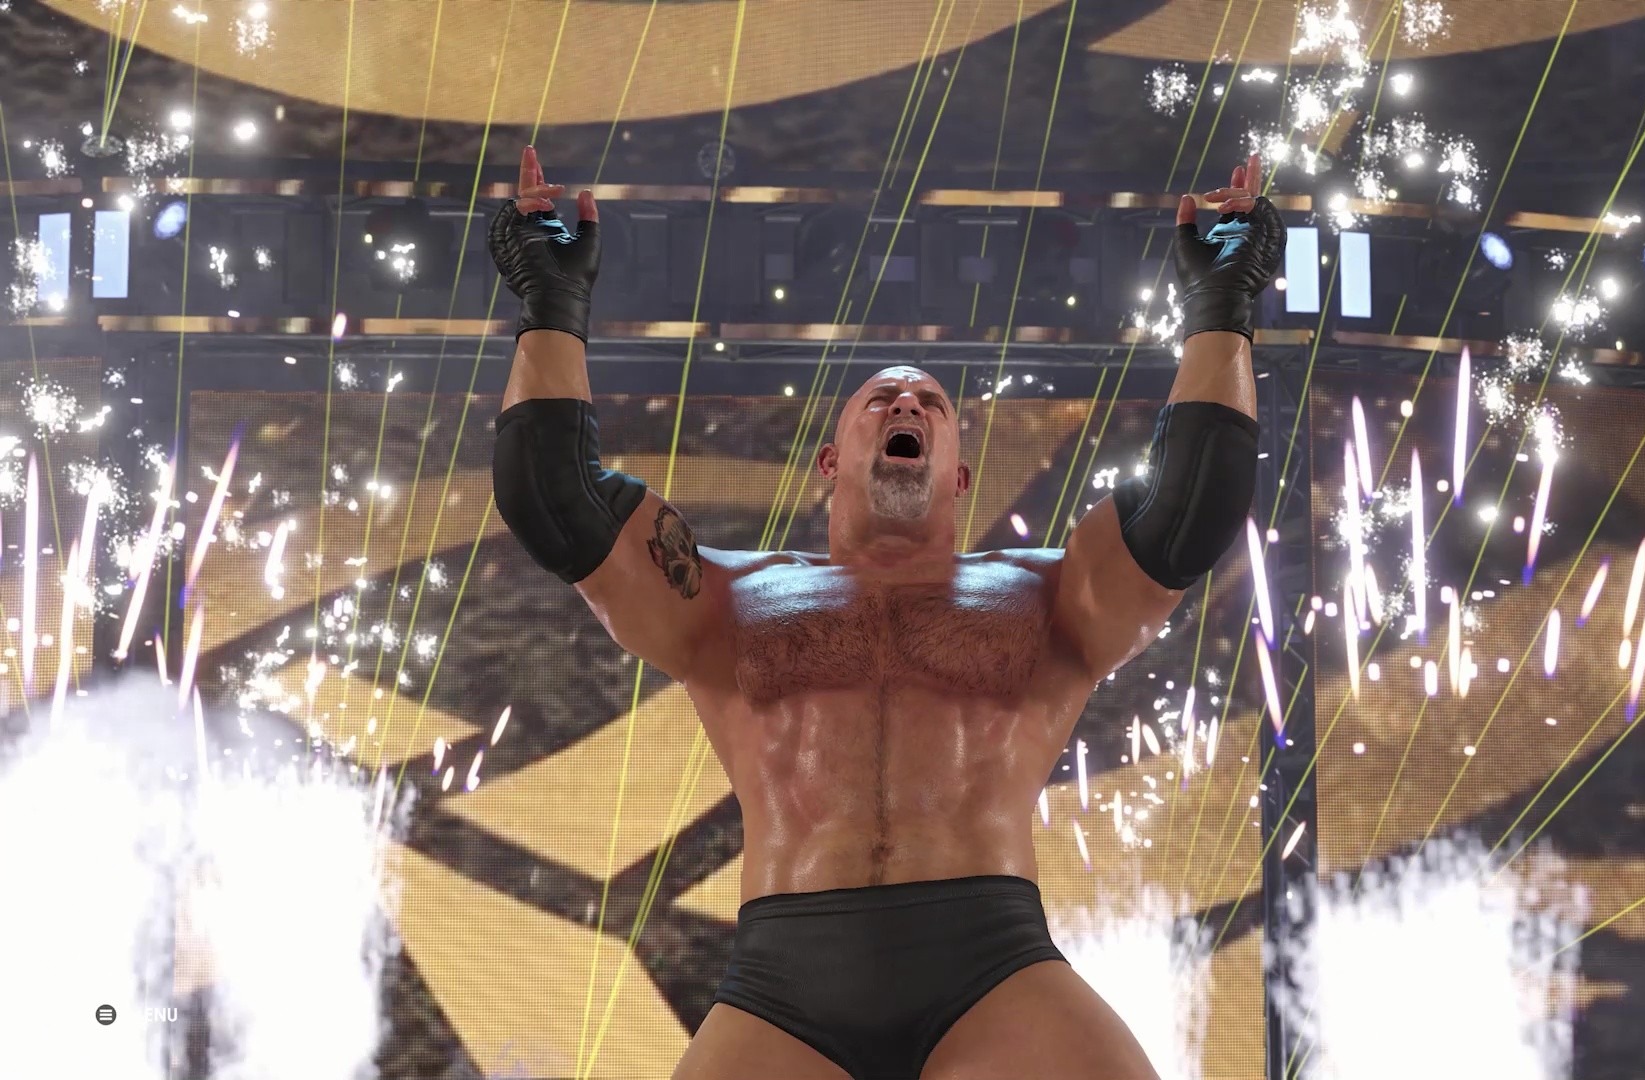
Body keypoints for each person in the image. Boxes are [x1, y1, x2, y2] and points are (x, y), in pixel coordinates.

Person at [490, 144, 1282, 1080]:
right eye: (883, 398)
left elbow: (1191, 506)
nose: (908, 401)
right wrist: (552, 300)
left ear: (959, 474)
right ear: (831, 462)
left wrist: (1221, 304)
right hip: (785, 978)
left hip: (990, 965)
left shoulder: (1046, 594)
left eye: (931, 402)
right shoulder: (732, 597)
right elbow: (556, 498)